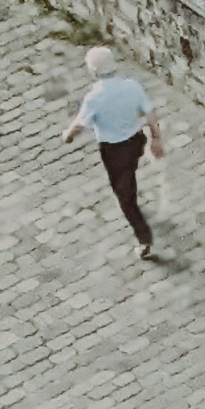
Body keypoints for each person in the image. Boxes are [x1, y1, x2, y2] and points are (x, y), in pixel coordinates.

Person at [63, 44, 164, 259]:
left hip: (114, 151)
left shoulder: (95, 98)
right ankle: (133, 189)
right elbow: (149, 112)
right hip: (136, 142)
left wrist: (68, 135)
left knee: (124, 197)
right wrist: (156, 138)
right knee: (130, 171)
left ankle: (143, 238)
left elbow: (81, 123)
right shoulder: (132, 86)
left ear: (93, 71)